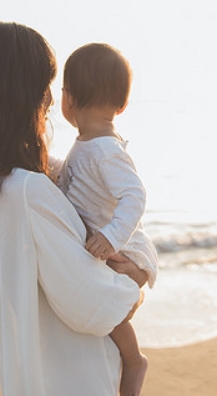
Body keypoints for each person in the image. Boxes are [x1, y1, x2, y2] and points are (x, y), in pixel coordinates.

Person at [0, 21, 147, 396]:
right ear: (16, 98)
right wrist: (135, 284)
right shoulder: (27, 192)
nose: (51, 102)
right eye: (43, 89)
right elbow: (93, 304)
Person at [51, 43, 157, 396]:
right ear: (122, 104)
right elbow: (75, 178)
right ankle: (126, 357)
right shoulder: (88, 142)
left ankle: (134, 358)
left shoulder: (106, 149)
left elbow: (135, 195)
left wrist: (112, 236)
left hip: (123, 246)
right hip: (109, 242)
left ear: (66, 98)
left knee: (109, 308)